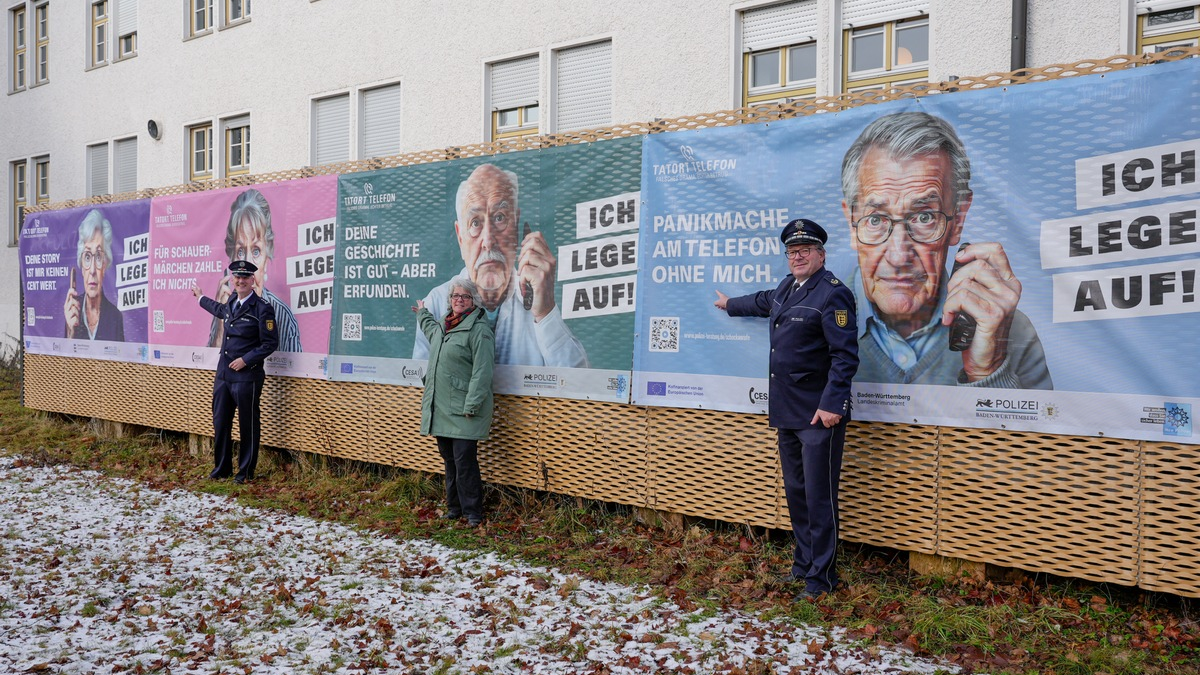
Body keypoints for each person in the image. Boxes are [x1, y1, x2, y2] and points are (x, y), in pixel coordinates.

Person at [840, 111, 1052, 389]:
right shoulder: (809, 322)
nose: (898, 256)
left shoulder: (1007, 329)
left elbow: (1032, 434)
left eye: (924, 217)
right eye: (876, 219)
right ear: (852, 223)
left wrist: (987, 372)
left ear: (958, 220)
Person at [714, 218, 859, 600]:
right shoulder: (787, 288)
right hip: (787, 412)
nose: (797, 257)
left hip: (818, 416)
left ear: (821, 255)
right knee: (796, 492)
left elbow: (845, 356)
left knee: (819, 495)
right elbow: (763, 301)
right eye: (792, 252)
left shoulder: (833, 295)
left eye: (805, 251)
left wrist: (833, 405)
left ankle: (821, 579)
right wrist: (730, 304)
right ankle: (803, 565)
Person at [413, 163, 588, 367]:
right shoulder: (435, 304)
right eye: (475, 223)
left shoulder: (542, 297)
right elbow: (422, 387)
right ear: (461, 238)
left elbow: (578, 384)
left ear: (516, 227)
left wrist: (546, 313)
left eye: (499, 218)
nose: (488, 241)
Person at [413, 276, 495, 526]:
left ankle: (473, 512)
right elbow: (430, 331)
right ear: (450, 300)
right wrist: (423, 314)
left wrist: (472, 404)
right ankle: (454, 507)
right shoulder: (444, 325)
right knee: (449, 461)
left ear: (473, 301)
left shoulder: (479, 329)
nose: (459, 300)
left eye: (464, 296)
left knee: (464, 462)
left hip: (465, 410)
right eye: (455, 296)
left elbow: (483, 371)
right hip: (443, 407)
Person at [193, 260, 279, 485]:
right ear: (233, 280)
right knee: (221, 422)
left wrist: (246, 360)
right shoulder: (232, 300)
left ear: (253, 280)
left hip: (246, 376)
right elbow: (220, 311)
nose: (240, 281)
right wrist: (201, 298)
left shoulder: (263, 308)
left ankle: (245, 472)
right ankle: (221, 468)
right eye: (237, 277)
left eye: (245, 277)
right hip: (223, 375)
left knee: (248, 424)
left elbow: (270, 343)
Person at [207, 188, 301, 352]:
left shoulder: (283, 316)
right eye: (241, 251)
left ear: (267, 254)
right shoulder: (225, 308)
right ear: (231, 257)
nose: (247, 265)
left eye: (256, 251)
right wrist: (221, 325)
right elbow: (211, 363)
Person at [63, 209, 124, 341]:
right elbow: (64, 360)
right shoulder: (72, 311)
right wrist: (69, 334)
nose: (92, 270)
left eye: (98, 257)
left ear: (105, 264)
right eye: (87, 257)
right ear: (81, 264)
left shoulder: (115, 317)